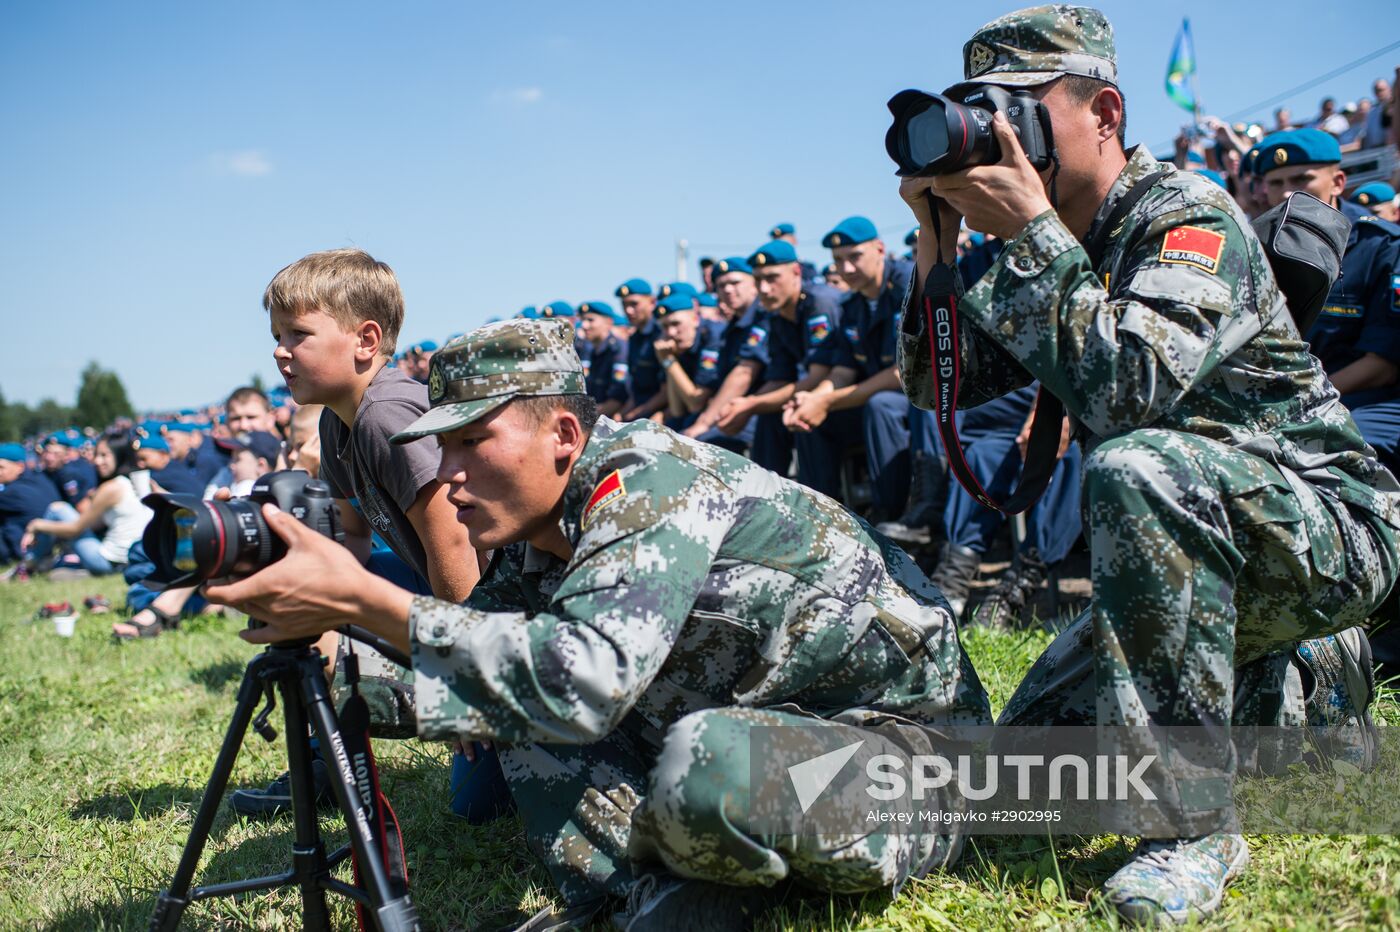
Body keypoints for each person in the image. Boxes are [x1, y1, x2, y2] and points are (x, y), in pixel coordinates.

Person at [201, 319, 992, 930]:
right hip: (764, 726)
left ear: (566, 438)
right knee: (518, 692)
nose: (448, 475)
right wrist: (326, 657)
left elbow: (584, 679)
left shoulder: (650, 481)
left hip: (906, 751)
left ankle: (689, 874)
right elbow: (466, 666)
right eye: (441, 449)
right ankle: (653, 894)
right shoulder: (530, 540)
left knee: (705, 762)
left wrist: (364, 598)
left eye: (473, 441)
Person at [896, 6, 1399, 923]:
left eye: (1024, 114)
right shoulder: (1038, 248)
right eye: (985, 116)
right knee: (1022, 773)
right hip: (1186, 547)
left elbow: (1129, 389)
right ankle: (1304, 692)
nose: (1001, 140)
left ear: (1106, 113)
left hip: (1328, 527)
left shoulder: (1189, 215)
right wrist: (939, 245)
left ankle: (1191, 828)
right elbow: (935, 388)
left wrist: (1036, 238)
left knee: (1136, 466)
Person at [227, 247, 486, 820]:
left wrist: (463, 679)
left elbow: (456, 548)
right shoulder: (335, 419)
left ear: (366, 341)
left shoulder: (386, 416)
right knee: (299, 587)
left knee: (478, 806)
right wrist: (268, 542)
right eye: (276, 334)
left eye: (297, 334)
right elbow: (349, 543)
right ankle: (327, 761)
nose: (279, 350)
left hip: (495, 604)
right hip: (443, 588)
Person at [784, 216, 916, 521]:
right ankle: (822, 518)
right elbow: (842, 371)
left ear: (880, 249)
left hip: (920, 400)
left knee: (880, 406)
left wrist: (827, 400)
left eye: (854, 257)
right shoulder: (851, 305)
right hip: (872, 398)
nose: (846, 269)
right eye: (838, 261)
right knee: (810, 420)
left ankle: (890, 518)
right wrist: (813, 399)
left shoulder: (909, 283)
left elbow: (904, 373)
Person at [713, 241, 845, 486]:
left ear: (796, 272)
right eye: (758, 279)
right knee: (769, 417)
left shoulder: (819, 303)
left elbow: (818, 376)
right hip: (820, 394)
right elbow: (779, 378)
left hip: (844, 393)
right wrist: (746, 405)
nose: (764, 288)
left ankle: (823, 509)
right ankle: (767, 499)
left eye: (772, 277)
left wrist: (751, 403)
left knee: (803, 418)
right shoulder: (778, 315)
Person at [21, 431, 152, 578]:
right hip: (132, 559)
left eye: (104, 455)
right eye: (97, 455)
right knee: (59, 510)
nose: (97, 461)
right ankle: (37, 563)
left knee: (57, 509)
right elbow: (93, 525)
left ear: (119, 455)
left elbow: (75, 529)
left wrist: (36, 525)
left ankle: (28, 566)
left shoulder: (112, 487)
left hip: (108, 561)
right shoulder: (136, 481)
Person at [682, 256, 770, 454]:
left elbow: (744, 374)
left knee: (700, 445)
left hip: (759, 410)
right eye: (721, 285)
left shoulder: (763, 317)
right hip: (734, 410)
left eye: (735, 282)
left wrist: (704, 423)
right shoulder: (731, 330)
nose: (728, 290)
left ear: (754, 283)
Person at [651, 293, 724, 431]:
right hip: (697, 414)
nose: (671, 332)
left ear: (695, 319)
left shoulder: (712, 336)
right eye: (665, 327)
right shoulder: (681, 345)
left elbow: (695, 403)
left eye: (676, 323)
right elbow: (677, 410)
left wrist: (669, 360)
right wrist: (669, 359)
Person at [0, 443, 60, 570]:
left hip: (26, 551)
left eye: (1, 467)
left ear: (20, 466)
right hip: (50, 548)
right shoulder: (40, 478)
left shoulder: (12, 492)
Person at [616, 279, 666, 423]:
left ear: (652, 302)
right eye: (624, 305)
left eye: (634, 304)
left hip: (661, 412)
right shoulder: (635, 338)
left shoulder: (661, 333)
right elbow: (636, 389)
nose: (628, 310)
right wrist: (623, 414)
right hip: (640, 410)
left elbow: (666, 391)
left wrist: (637, 414)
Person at [576, 301, 631, 418]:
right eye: (583, 320)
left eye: (591, 320)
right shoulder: (590, 350)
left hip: (608, 419)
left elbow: (618, 398)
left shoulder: (618, 349)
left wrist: (584, 419)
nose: (584, 326)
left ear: (608, 323)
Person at [41, 433, 97, 512]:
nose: (49, 458)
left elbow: (80, 507)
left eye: (56, 454)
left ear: (66, 456)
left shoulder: (68, 474)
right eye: (47, 452)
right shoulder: (46, 472)